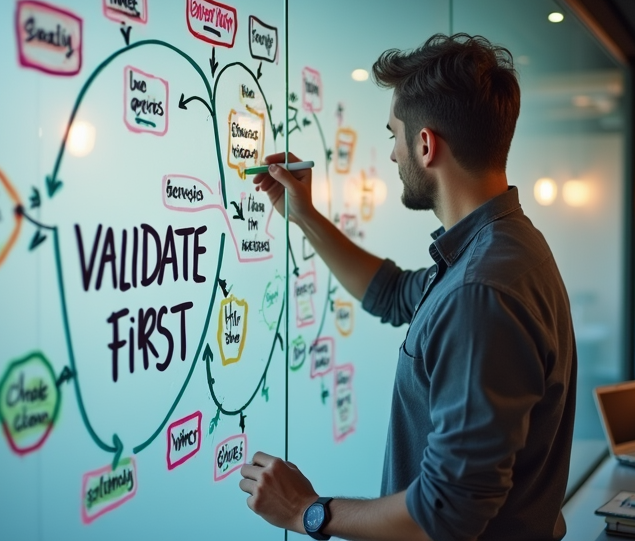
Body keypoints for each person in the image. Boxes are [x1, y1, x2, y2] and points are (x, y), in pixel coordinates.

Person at [238, 33, 577, 541]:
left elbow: (447, 512)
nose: (393, 154)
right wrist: (303, 216)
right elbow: (393, 293)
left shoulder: (480, 291)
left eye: (394, 134)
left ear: (425, 144)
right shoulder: (505, 248)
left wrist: (306, 510)